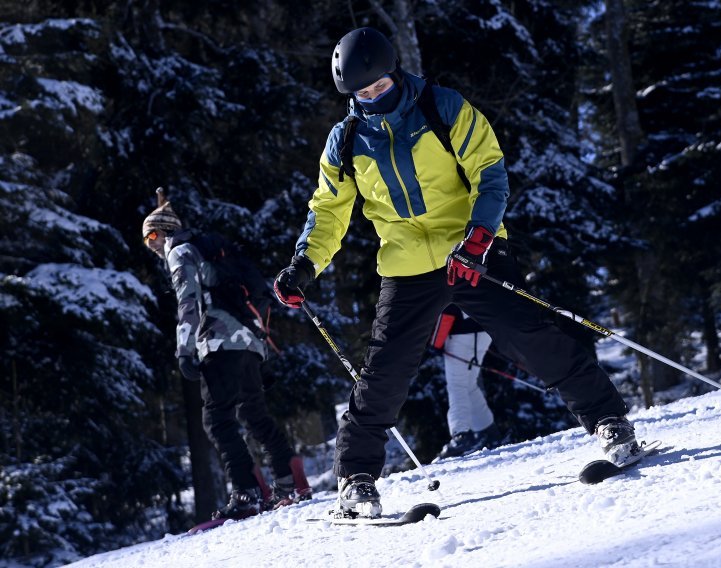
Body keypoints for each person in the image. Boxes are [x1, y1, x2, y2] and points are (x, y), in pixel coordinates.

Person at [273, 27, 637, 518]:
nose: (372, 98)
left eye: (379, 87)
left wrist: (479, 237)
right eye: (361, 93)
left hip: (470, 249)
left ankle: (610, 421)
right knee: (384, 370)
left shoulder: (442, 108)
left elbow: (490, 171)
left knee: (530, 336)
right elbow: (329, 211)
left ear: (395, 73)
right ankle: (356, 477)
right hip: (406, 266)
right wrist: (304, 264)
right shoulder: (346, 141)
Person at [142, 189, 312, 522]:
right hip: (250, 341)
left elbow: (188, 302)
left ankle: (246, 494)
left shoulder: (180, 251)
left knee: (217, 418)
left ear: (165, 231)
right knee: (253, 414)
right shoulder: (209, 250)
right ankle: (291, 483)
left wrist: (184, 348)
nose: (151, 245)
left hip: (219, 341)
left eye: (152, 235)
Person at [430, 304, 502, 459]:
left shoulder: (449, 278)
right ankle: (488, 432)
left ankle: (461, 435)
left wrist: (436, 343)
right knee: (469, 384)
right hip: (484, 332)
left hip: (459, 336)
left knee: (457, 386)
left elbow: (447, 307)